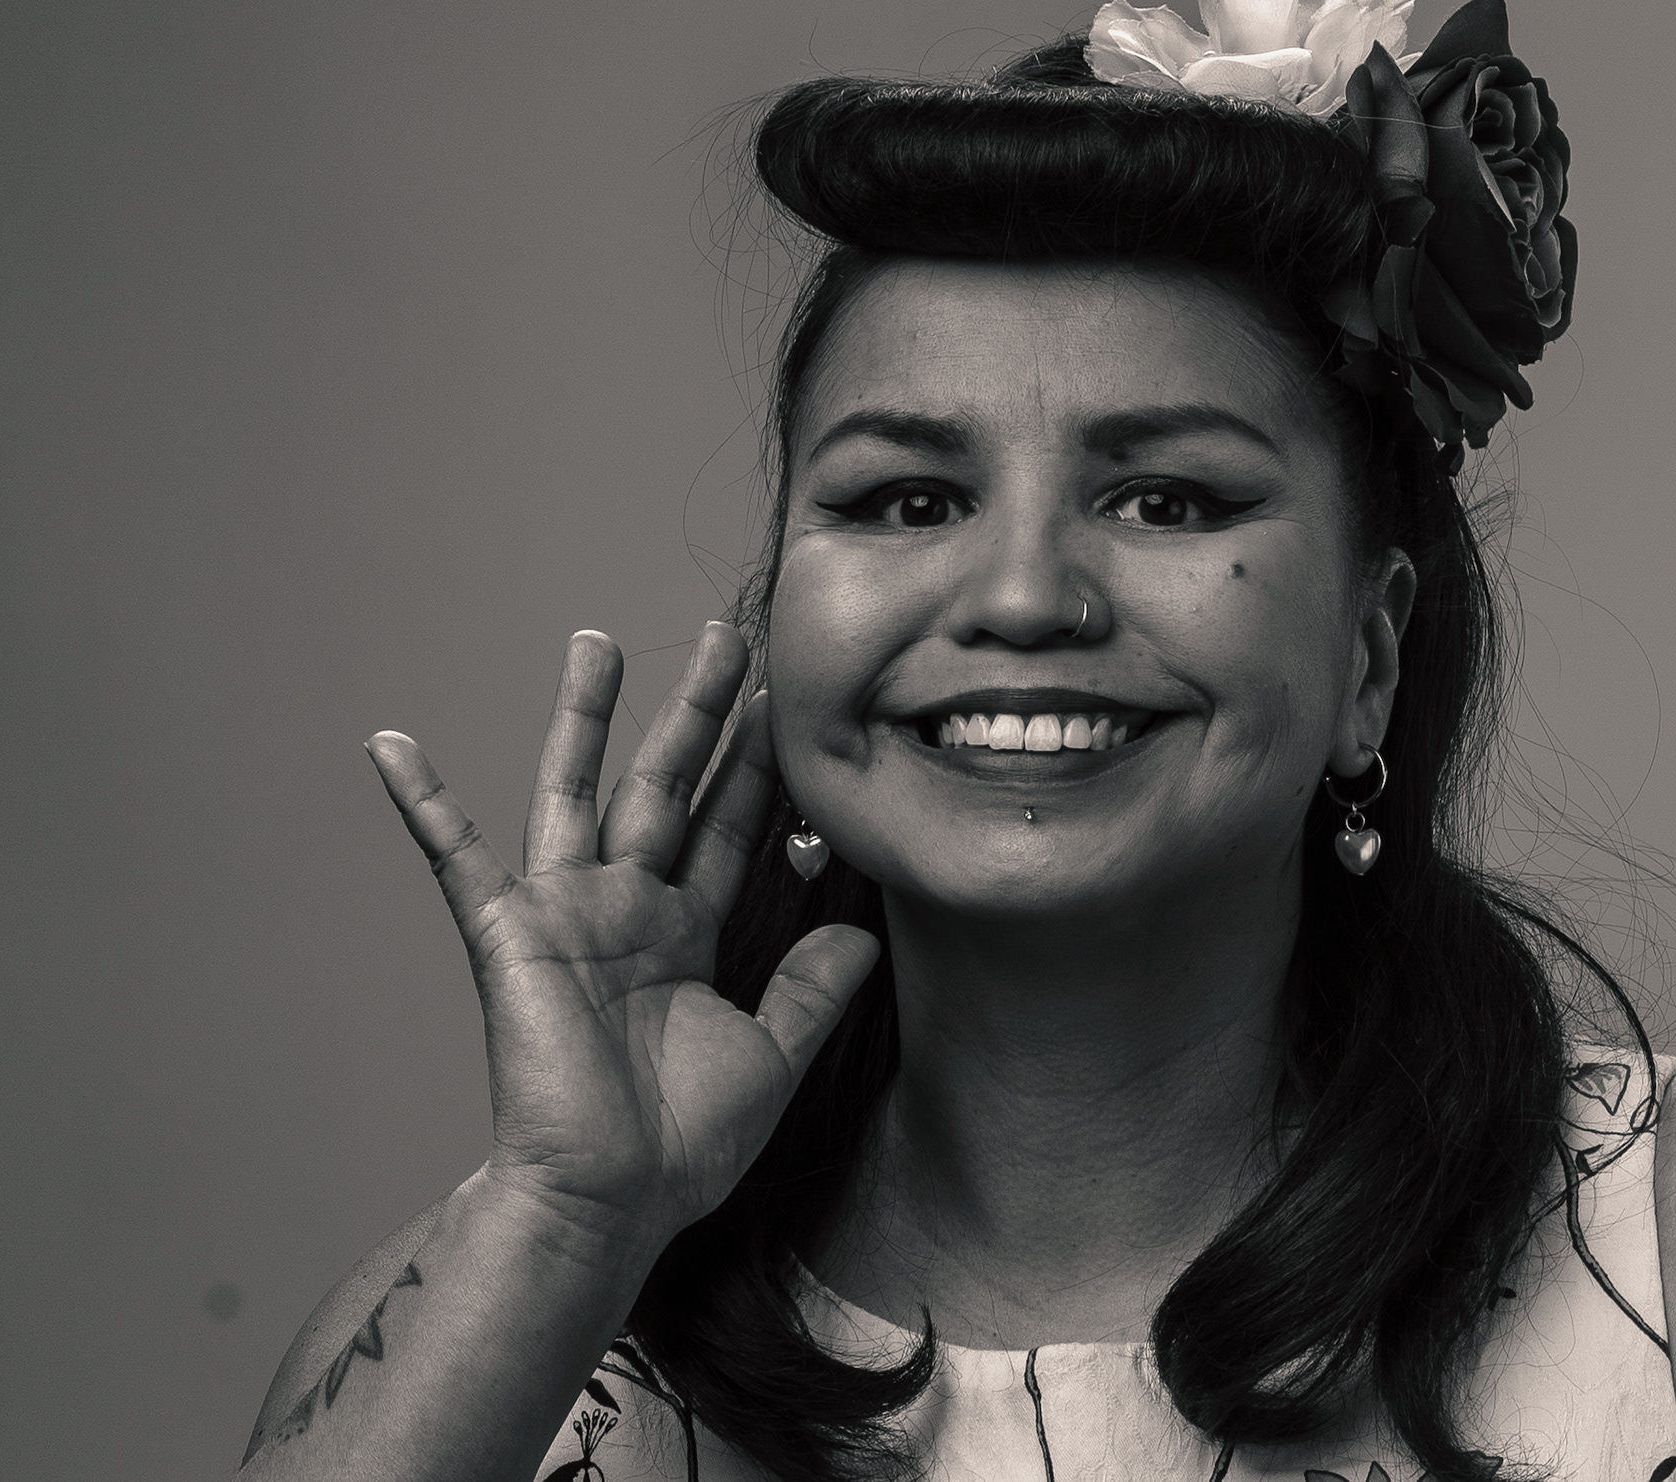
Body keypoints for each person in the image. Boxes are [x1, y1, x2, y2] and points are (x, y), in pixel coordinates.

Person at [237, 2, 1676, 1477]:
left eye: (1165, 500)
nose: (1024, 598)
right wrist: (565, 1215)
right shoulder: (525, 1289)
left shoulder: (1651, 1234)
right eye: (909, 500)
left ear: (1369, 656)